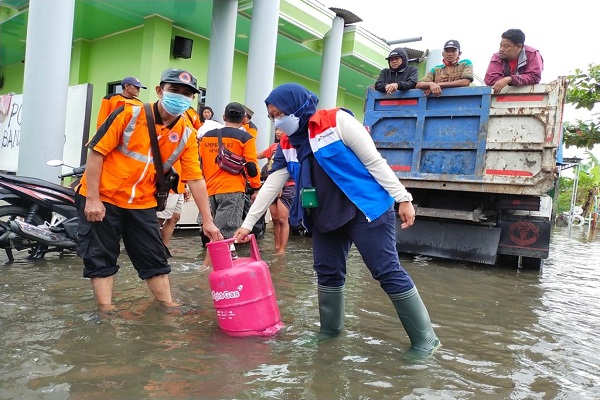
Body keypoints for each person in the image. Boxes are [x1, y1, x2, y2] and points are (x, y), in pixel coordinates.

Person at [233, 83, 441, 358]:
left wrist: (403, 198)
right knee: (328, 272)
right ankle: (330, 331)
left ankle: (426, 340)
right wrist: (248, 224)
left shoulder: (336, 122)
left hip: (364, 209)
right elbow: (273, 183)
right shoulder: (287, 143)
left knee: (386, 271)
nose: (277, 121)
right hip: (324, 215)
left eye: (280, 113)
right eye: (272, 116)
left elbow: (374, 161)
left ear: (298, 107)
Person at [76, 68, 222, 312]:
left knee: (154, 256)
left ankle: (167, 307)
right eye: (174, 90)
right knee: (100, 257)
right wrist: (92, 199)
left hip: (142, 202)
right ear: (159, 91)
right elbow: (96, 152)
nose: (180, 97)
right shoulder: (128, 114)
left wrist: (208, 221)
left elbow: (195, 178)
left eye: (187, 93)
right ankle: (106, 310)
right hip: (104, 197)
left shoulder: (187, 133)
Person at [199, 102, 262, 265]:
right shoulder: (245, 138)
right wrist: (256, 188)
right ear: (243, 120)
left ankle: (210, 268)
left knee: (214, 232)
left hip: (209, 189)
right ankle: (209, 272)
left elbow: (200, 162)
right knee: (225, 235)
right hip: (232, 189)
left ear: (224, 117)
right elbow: (251, 166)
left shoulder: (206, 137)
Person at [257, 128, 295, 256]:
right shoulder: (273, 147)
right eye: (276, 130)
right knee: (275, 218)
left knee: (283, 219)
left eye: (281, 130)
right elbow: (259, 155)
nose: (278, 132)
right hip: (272, 184)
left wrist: (281, 185)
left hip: (288, 185)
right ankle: (276, 245)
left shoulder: (292, 146)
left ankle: (282, 250)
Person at [484, 29, 544, 94]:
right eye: (500, 46)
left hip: (528, 95)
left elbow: (534, 76)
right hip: (501, 97)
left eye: (506, 46)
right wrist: (509, 81)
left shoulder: (532, 54)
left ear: (518, 47)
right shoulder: (497, 56)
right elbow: (489, 79)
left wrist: (510, 79)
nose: (501, 49)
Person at [156, 160, 189, 247]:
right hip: (168, 185)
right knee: (159, 219)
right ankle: (148, 248)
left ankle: (163, 248)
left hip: (178, 184)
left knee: (175, 217)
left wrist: (184, 185)